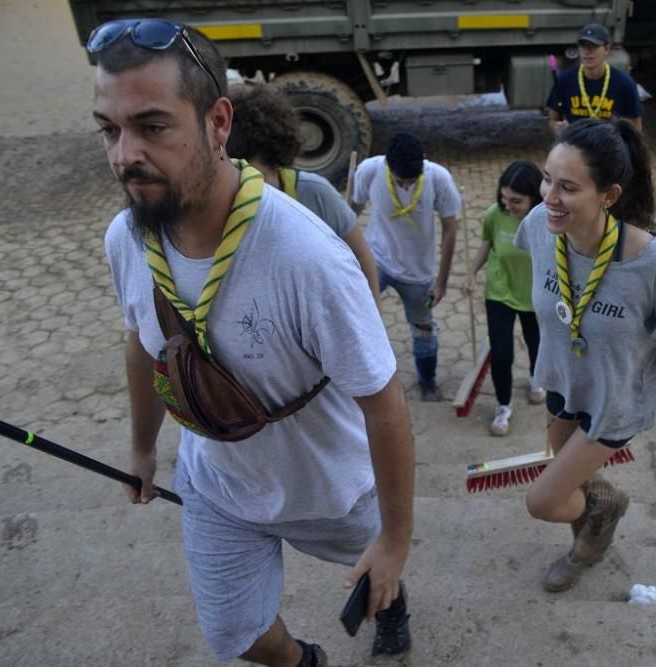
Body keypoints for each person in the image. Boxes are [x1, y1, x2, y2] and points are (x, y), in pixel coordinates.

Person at [91, 18, 414, 666]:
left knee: (377, 571)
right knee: (236, 634)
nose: (126, 154)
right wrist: (142, 447)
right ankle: (305, 660)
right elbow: (142, 340)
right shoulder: (126, 238)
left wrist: (397, 539)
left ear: (217, 123)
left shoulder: (308, 258)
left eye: (152, 127)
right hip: (218, 486)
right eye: (110, 129)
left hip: (331, 489)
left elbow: (384, 402)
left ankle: (394, 599)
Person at [513, 118, 656, 592]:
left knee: (545, 500)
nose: (549, 196)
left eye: (568, 187)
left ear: (609, 196)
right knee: (569, 484)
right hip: (561, 383)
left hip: (614, 402)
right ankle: (588, 544)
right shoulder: (539, 226)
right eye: (548, 178)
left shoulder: (654, 265)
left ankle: (603, 509)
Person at [226, 83, 380, 302]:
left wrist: (374, 319)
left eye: (256, 178)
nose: (246, 189)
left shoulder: (316, 193)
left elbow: (362, 256)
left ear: (276, 164)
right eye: (235, 178)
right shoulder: (217, 206)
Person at [350, 133, 461, 402]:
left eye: (413, 180)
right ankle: (360, 378)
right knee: (356, 316)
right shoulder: (369, 171)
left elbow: (450, 229)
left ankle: (427, 382)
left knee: (423, 329)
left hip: (418, 274)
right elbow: (351, 211)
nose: (407, 185)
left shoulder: (438, 178)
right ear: (388, 166)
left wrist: (442, 282)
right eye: (401, 181)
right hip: (375, 261)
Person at [463, 161, 546, 436]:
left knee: (537, 344)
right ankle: (503, 406)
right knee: (501, 355)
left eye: (516, 201)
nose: (508, 205)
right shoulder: (494, 215)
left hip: (535, 295)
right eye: (503, 198)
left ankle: (536, 379)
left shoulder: (547, 219)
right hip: (499, 292)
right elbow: (487, 243)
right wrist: (471, 273)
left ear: (534, 196)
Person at [546, 23, 643, 134]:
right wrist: (558, 128)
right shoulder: (564, 80)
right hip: (576, 144)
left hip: (610, 146)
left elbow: (636, 127)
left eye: (593, 46)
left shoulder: (625, 83)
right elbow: (553, 120)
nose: (587, 51)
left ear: (607, 49)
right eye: (583, 45)